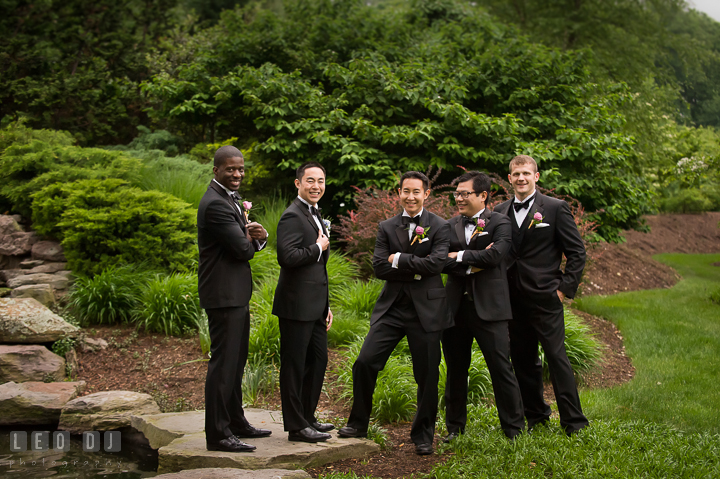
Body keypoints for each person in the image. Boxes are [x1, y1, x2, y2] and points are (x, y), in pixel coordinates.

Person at [338, 171, 452, 456]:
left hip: (426, 310)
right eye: (406, 191)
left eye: (416, 192)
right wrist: (416, 267)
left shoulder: (440, 226)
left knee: (426, 375)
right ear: (398, 193)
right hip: (392, 308)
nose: (411, 197)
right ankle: (357, 423)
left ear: (426, 194)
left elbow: (437, 264)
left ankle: (423, 435)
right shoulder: (387, 226)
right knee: (364, 362)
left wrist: (398, 259)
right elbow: (379, 267)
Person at [493, 155, 588, 436]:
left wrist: (562, 291)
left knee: (557, 358)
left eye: (526, 173)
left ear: (537, 177)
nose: (521, 178)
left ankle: (574, 422)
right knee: (523, 360)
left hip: (546, 297)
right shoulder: (499, 210)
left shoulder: (556, 209)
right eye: (515, 174)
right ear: (509, 179)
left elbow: (577, 253)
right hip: (511, 298)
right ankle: (536, 415)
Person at [198, 145, 272, 452]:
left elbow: (244, 241)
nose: (237, 174)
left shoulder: (231, 199)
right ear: (216, 170)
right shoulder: (214, 204)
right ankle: (217, 434)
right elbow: (242, 250)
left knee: (236, 362)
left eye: (240, 169)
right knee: (223, 365)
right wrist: (254, 240)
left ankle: (236, 421)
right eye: (230, 169)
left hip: (235, 294)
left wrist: (258, 236)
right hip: (223, 295)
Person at [442, 171, 525, 442]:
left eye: (465, 193)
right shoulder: (448, 224)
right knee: (455, 369)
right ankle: (454, 428)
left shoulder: (501, 222)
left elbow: (495, 255)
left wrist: (461, 256)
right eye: (457, 193)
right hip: (455, 308)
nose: (459, 198)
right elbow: (440, 260)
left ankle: (513, 429)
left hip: (490, 308)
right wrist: (472, 261)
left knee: (501, 367)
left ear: (483, 196)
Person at [272, 162, 335, 443]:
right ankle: (296, 427)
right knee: (295, 365)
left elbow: (318, 269)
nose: (316, 186)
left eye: (320, 181)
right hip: (295, 307)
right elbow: (287, 257)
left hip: (315, 307)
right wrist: (317, 248)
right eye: (310, 180)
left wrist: (326, 305)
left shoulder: (314, 213)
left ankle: (308, 417)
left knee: (318, 361)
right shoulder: (292, 216)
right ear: (298, 184)